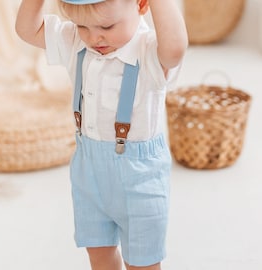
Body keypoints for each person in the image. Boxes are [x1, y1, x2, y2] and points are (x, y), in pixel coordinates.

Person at [15, 0, 188, 269]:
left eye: (107, 26)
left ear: (141, 4)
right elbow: (27, 29)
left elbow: (175, 49)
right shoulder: (76, 42)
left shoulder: (148, 50)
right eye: (82, 25)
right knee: (99, 255)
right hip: (89, 175)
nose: (94, 37)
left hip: (139, 179)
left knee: (143, 263)